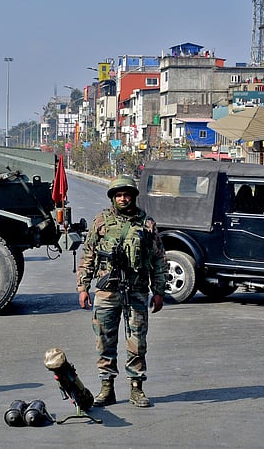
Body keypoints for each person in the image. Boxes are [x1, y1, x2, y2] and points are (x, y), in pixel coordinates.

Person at [76, 175, 169, 408]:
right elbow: (89, 255)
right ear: (113, 198)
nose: (123, 198)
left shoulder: (146, 224)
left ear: (133, 196)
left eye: (127, 194)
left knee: (137, 341)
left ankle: (136, 387)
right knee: (104, 340)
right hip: (107, 291)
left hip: (136, 290)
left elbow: (158, 259)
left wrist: (159, 291)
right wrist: (83, 287)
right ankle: (106, 387)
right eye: (119, 195)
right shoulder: (101, 222)